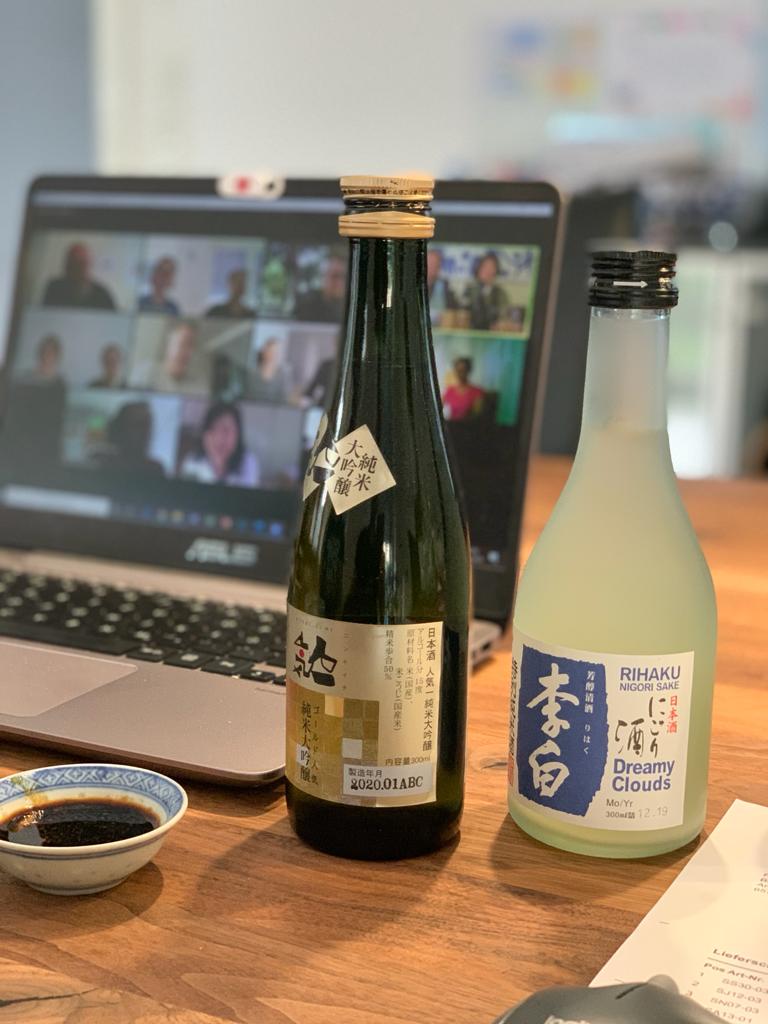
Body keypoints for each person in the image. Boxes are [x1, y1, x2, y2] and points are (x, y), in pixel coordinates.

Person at [180, 402, 260, 486]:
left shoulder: (248, 462)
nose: (220, 438)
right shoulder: (192, 462)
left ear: (238, 435)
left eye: (226, 430)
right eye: (214, 429)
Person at [93, 401, 165, 478]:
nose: (146, 432)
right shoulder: (101, 463)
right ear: (121, 429)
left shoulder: (154, 469)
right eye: (139, 425)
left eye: (148, 426)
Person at [42, 243, 116, 310]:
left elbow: (112, 318)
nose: (79, 269)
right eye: (74, 263)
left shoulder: (102, 294)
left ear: (89, 265)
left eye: (82, 263)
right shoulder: (54, 288)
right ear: (67, 266)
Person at [295, 253, 346, 322]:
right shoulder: (308, 306)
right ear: (323, 277)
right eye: (335, 276)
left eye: (344, 276)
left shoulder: (349, 306)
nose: (340, 282)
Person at [464, 252, 507, 331]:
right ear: (478, 268)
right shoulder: (469, 290)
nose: (488, 270)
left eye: (492, 267)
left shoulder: (500, 293)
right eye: (485, 266)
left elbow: (504, 315)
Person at [442, 356, 486, 421]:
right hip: (451, 425)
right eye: (459, 370)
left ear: (469, 371)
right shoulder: (449, 391)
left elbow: (477, 415)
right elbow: (438, 408)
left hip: (470, 425)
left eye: (464, 370)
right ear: (455, 371)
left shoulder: (477, 391)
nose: (461, 373)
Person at [248, 337, 290, 403]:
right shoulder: (253, 373)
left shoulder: (283, 374)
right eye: (270, 351)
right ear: (264, 352)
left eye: (276, 352)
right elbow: (249, 394)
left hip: (275, 408)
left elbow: (285, 397)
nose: (273, 355)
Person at [427, 249, 458, 326]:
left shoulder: (446, 287)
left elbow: (453, 310)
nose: (432, 267)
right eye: (430, 263)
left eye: (435, 264)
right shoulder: (411, 286)